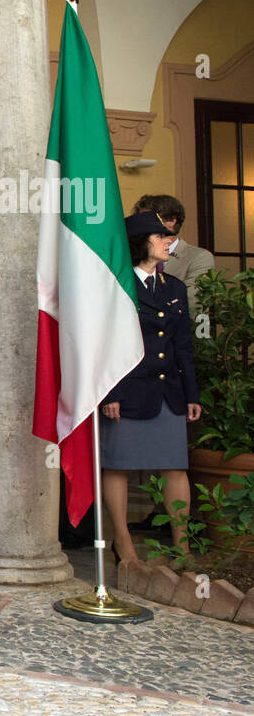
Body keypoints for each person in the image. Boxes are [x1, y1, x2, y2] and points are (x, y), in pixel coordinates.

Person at [100, 210, 202, 563]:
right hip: (128, 391)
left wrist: (191, 394)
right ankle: (123, 543)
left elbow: (183, 346)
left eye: (168, 236)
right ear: (140, 242)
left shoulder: (175, 287)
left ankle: (183, 547)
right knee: (118, 466)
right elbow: (105, 341)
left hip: (168, 392)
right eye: (160, 236)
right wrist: (110, 393)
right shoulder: (117, 283)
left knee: (175, 467)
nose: (167, 241)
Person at [132, 193, 214, 316]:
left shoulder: (198, 257)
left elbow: (192, 302)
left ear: (171, 221)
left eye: (148, 219)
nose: (142, 226)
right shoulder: (131, 255)